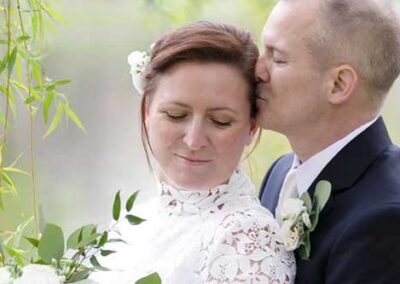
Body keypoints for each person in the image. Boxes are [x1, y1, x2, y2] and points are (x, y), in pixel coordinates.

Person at [93, 22, 295, 283]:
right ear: (147, 113)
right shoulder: (134, 220)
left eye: (220, 121)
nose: (194, 140)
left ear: (251, 129)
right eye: (176, 115)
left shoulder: (247, 240)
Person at [257, 0, 400, 283]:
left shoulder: (386, 221)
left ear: (338, 84)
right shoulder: (280, 172)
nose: (257, 70)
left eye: (278, 58)